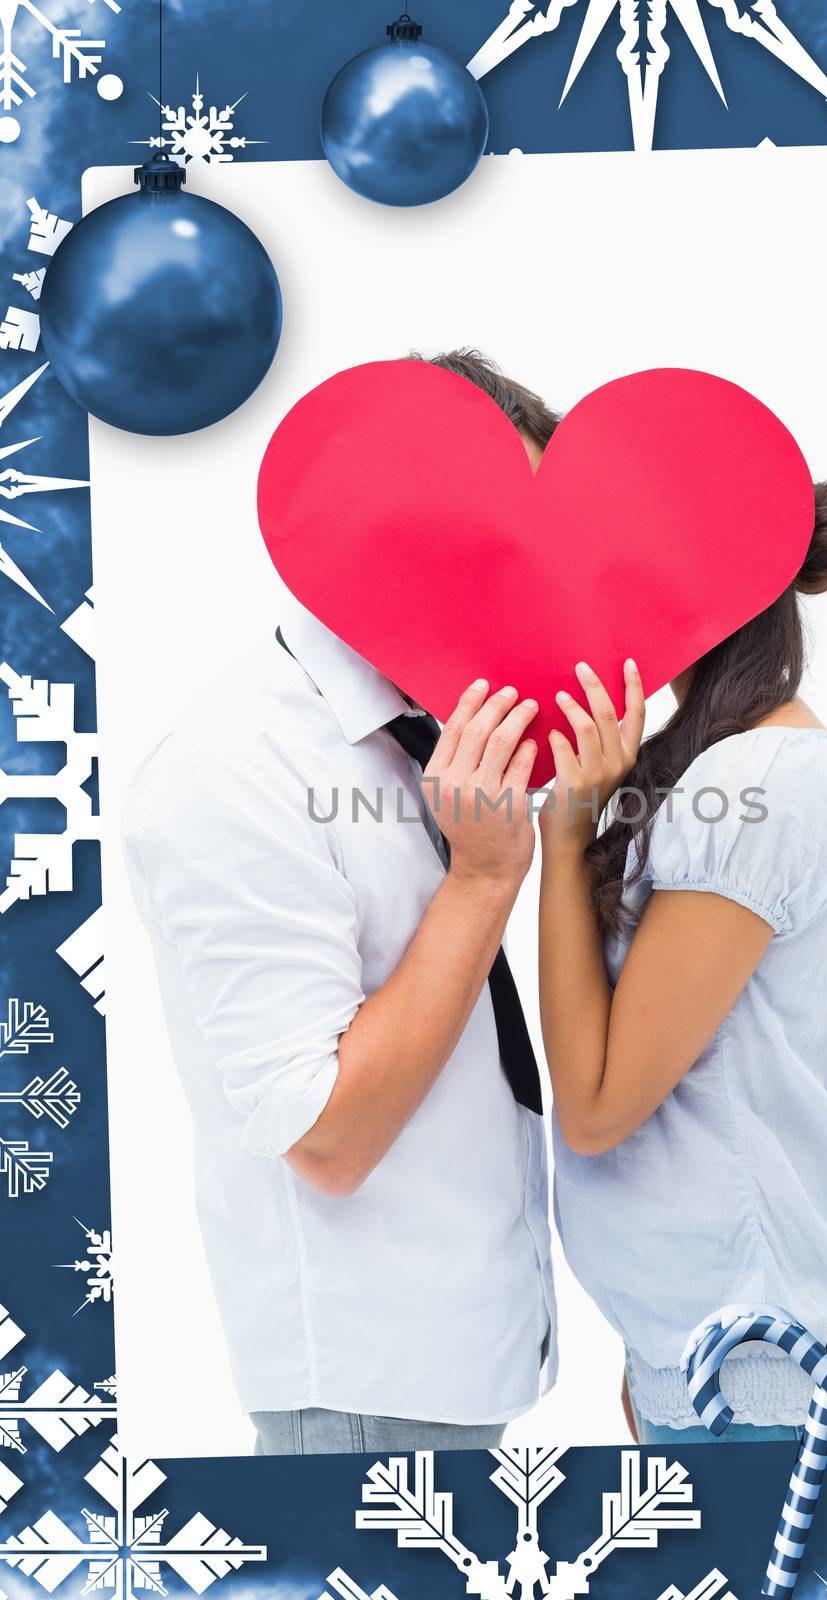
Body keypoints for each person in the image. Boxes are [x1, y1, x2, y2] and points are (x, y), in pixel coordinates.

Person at [122, 351, 560, 1456]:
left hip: (458, 1360)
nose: (529, 573)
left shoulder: (438, 727)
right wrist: (482, 878)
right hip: (369, 1390)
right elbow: (326, 1133)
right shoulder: (232, 768)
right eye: (493, 532)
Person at [539, 481, 827, 1444]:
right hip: (703, 1343)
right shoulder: (728, 763)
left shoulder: (752, 780)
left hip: (753, 1358)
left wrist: (562, 841)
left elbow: (598, 1105)